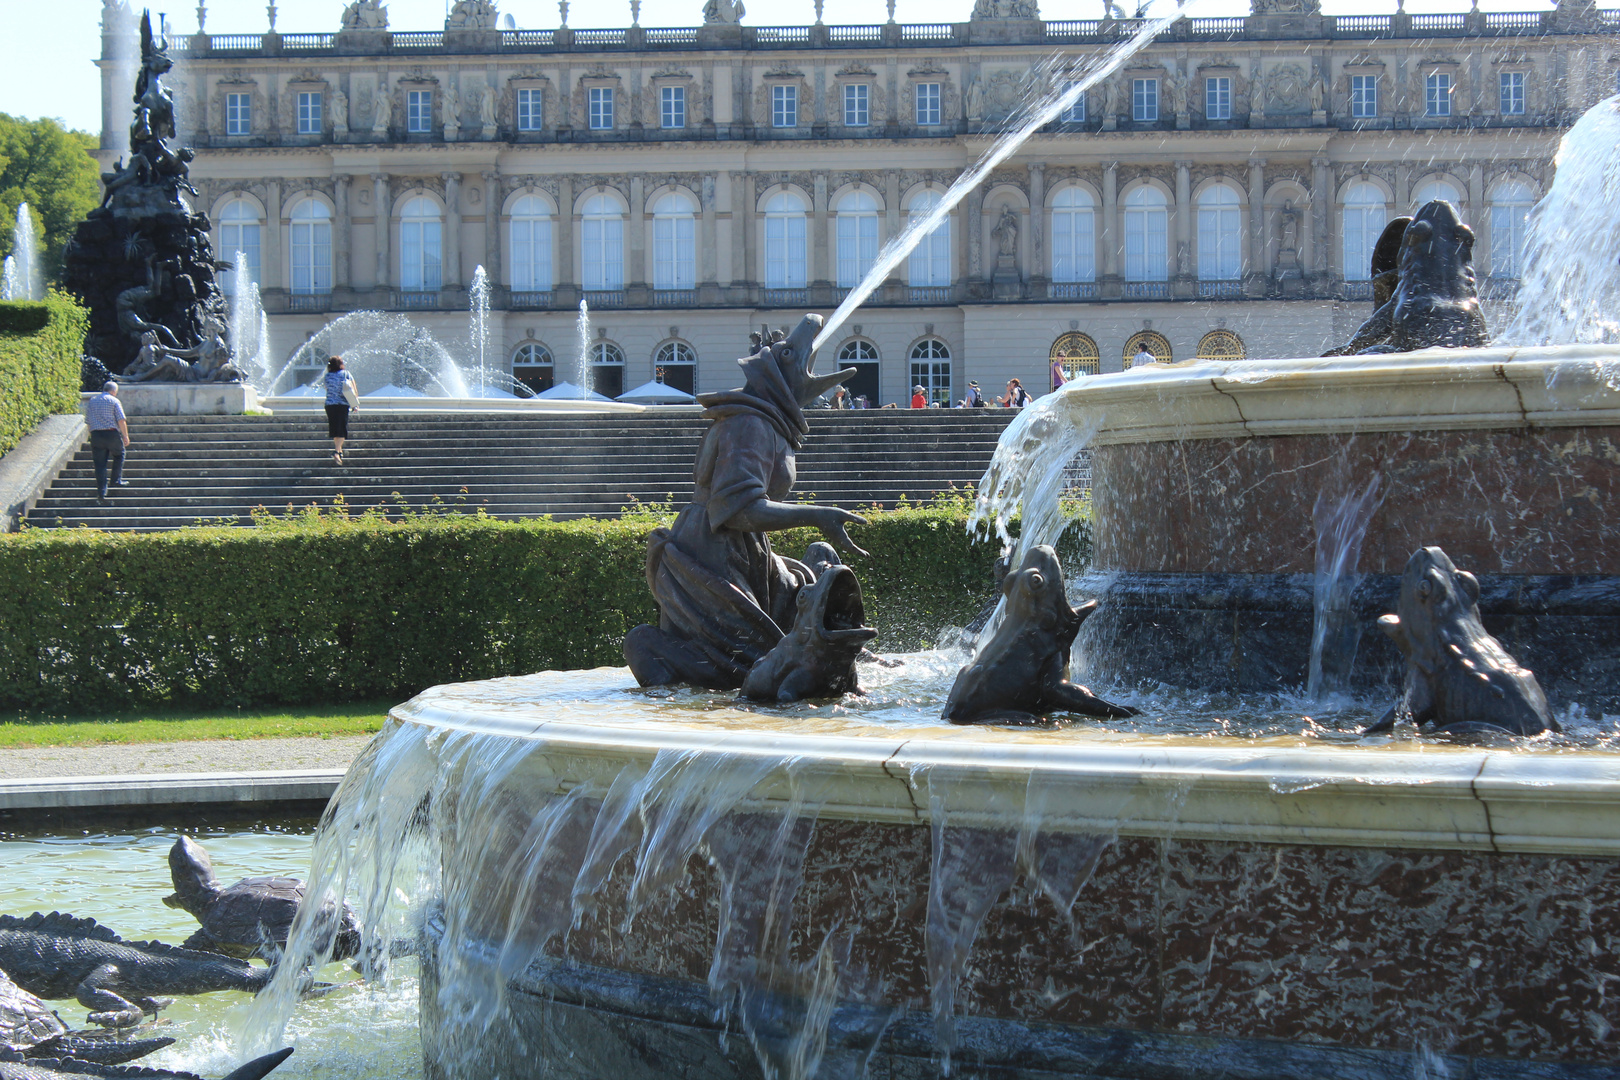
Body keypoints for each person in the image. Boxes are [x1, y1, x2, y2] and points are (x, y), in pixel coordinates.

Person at [85, 381, 131, 506]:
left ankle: (102, 492)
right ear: (113, 391)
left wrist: (91, 435)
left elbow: (88, 420)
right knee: (119, 454)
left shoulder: (92, 400)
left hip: (96, 434)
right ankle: (116, 480)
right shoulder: (114, 401)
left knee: (100, 465)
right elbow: (121, 420)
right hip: (111, 434)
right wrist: (125, 436)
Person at [323, 356, 360, 464]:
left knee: (335, 428)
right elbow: (353, 389)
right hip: (342, 404)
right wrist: (355, 404)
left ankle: (339, 450)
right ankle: (336, 452)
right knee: (342, 429)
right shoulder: (346, 374)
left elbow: (326, 388)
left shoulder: (327, 376)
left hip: (329, 405)